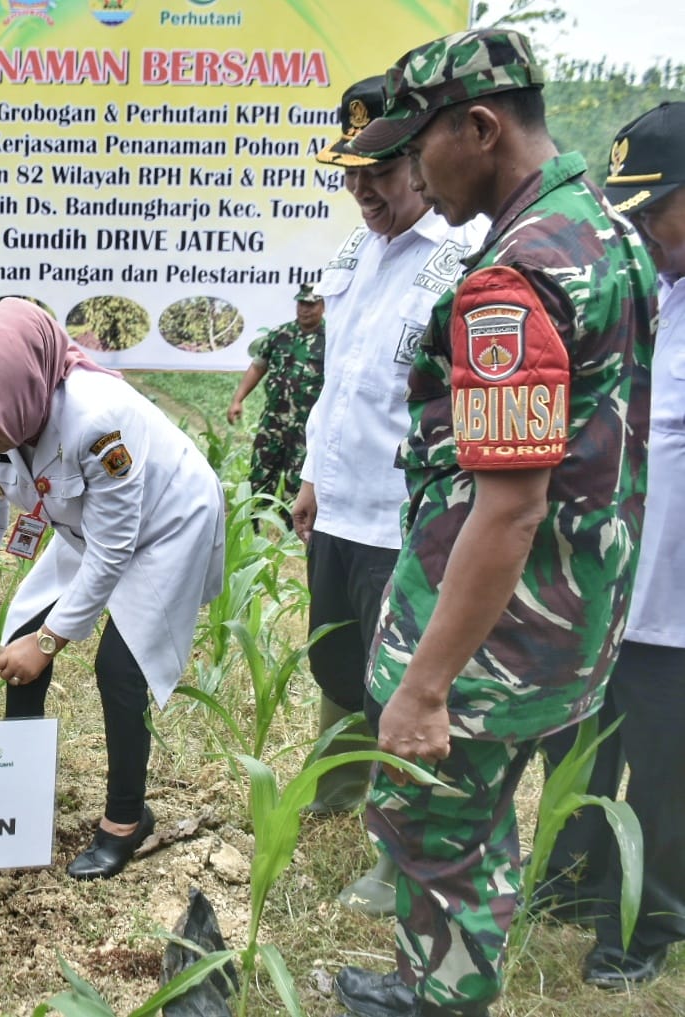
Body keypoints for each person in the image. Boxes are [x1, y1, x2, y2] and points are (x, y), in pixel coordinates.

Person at [328, 29, 655, 1017]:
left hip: (495, 628)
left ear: (476, 128)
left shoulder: (508, 282)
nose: (413, 172)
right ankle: (441, 977)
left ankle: (441, 999)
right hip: (571, 604)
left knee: (433, 822)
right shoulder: (604, 225)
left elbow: (507, 506)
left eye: (416, 144)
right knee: (470, 819)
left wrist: (424, 687)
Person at [0, 298, 225, 880]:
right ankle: (17, 796)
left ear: (26, 386)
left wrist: (54, 643)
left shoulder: (98, 420)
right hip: (87, 521)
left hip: (166, 523)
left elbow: (114, 551)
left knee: (120, 667)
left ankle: (128, 820)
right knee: (21, 637)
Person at [293, 75, 485, 914]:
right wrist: (310, 476)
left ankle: (394, 844)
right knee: (334, 656)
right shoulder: (354, 253)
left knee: (397, 685)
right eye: (350, 171)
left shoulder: (463, 259)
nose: (364, 188)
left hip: (407, 515)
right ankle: (337, 782)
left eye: (381, 169)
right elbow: (341, 384)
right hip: (338, 503)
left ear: (421, 162)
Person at [538, 101, 685, 990]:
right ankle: (577, 878)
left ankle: (647, 919)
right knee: (582, 744)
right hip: (612, 581)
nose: (637, 227)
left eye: (654, 205)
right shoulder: (647, 290)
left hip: (678, 604)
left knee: (669, 776)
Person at [225, 283, 325, 525]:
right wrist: (238, 399)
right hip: (274, 421)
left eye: (311, 304)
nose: (305, 309)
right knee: (260, 474)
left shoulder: (332, 339)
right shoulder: (280, 335)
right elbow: (259, 366)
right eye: (302, 303)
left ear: (322, 306)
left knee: (298, 480)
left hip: (307, 426)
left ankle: (291, 532)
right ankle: (252, 526)